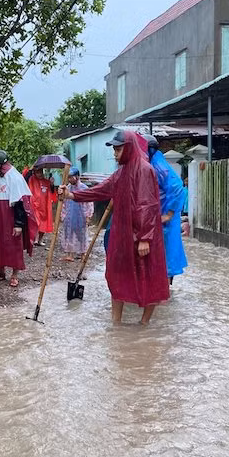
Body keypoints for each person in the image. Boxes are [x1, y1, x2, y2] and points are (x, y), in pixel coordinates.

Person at [61, 131, 169, 325]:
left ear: (129, 148)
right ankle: (116, 323)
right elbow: (102, 189)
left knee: (148, 275)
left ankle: (144, 324)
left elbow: (147, 204)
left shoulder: (144, 169)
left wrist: (145, 237)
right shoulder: (121, 172)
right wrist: (72, 196)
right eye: (115, 150)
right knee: (117, 274)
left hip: (142, 235)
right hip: (122, 233)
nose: (115, 154)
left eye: (119, 149)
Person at [0, 150, 38, 288]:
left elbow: (20, 202)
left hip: (11, 217)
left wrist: (18, 224)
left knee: (14, 244)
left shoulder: (14, 177)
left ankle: (15, 275)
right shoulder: (3, 176)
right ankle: (1, 270)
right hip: (1, 217)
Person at [144, 135, 189, 285]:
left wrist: (168, 214)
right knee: (163, 254)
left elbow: (177, 188)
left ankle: (163, 291)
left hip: (165, 217)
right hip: (162, 215)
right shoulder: (155, 162)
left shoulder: (158, 166)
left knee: (166, 254)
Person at [59, 167, 93, 262]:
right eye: (68, 177)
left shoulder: (84, 188)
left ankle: (83, 254)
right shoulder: (68, 188)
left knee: (81, 234)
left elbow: (89, 203)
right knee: (68, 234)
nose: (69, 179)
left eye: (71, 177)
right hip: (70, 213)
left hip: (81, 214)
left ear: (77, 177)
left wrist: (88, 216)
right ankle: (70, 254)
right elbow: (64, 202)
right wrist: (63, 214)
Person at [28, 167, 57, 246]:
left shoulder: (46, 181)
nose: (40, 174)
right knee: (36, 223)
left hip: (44, 207)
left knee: (43, 224)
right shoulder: (32, 180)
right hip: (34, 205)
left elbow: (52, 192)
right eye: (37, 172)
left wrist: (51, 184)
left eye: (41, 172)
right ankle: (35, 239)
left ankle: (40, 240)